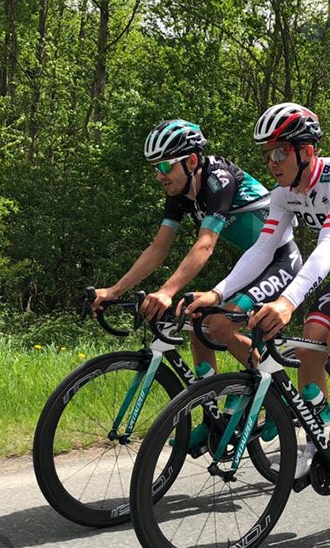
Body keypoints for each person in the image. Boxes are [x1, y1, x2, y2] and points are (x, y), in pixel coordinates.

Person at [185, 102, 330, 477]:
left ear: (307, 151)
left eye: (279, 152)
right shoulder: (283, 194)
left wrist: (287, 302)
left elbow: (327, 246)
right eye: (267, 155)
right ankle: (318, 435)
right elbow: (262, 249)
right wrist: (217, 293)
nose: (272, 163)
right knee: (308, 345)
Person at [92, 119, 302, 443]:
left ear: (191, 161)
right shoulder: (179, 192)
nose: (159, 175)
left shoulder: (218, 179)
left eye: (164, 165)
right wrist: (115, 290)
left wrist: (166, 291)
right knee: (195, 318)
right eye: (155, 168)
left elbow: (205, 245)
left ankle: (279, 399)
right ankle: (213, 412)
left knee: (218, 326)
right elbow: (158, 248)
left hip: (280, 261)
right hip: (252, 263)